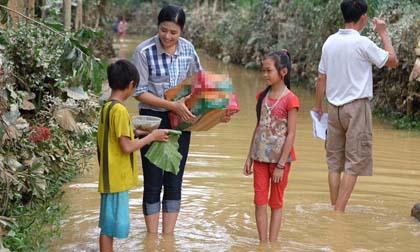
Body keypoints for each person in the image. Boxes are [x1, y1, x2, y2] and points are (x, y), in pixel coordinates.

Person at [132, 4, 233, 235]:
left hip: (181, 120)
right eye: (163, 30)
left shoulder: (188, 49)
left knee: (174, 179)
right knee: (153, 180)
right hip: (151, 120)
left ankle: (167, 239)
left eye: (173, 32)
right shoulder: (143, 51)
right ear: (158, 27)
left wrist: (218, 113)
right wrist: (171, 106)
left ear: (182, 31)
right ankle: (151, 238)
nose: (167, 36)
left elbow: (200, 85)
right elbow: (140, 91)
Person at [312, 0, 399, 212]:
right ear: (363, 18)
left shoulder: (329, 42)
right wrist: (383, 33)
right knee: (354, 162)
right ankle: (338, 213)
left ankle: (335, 207)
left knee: (334, 162)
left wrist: (318, 107)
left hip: (334, 109)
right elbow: (393, 61)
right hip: (357, 109)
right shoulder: (362, 43)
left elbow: (321, 79)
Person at [97, 59, 168, 251]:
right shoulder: (120, 110)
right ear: (131, 85)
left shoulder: (107, 107)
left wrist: (143, 134)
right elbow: (127, 146)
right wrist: (152, 136)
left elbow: (119, 136)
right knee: (110, 227)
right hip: (116, 177)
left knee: (106, 226)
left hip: (108, 176)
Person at [244, 50, 300, 243]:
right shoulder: (262, 96)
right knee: (259, 202)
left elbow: (291, 134)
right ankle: (263, 244)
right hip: (259, 158)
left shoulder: (291, 99)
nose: (265, 74)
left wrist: (281, 165)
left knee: (275, 203)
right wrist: (249, 156)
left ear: (283, 72)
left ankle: (273, 243)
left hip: (279, 162)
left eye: (269, 70)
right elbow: (258, 127)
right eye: (263, 71)